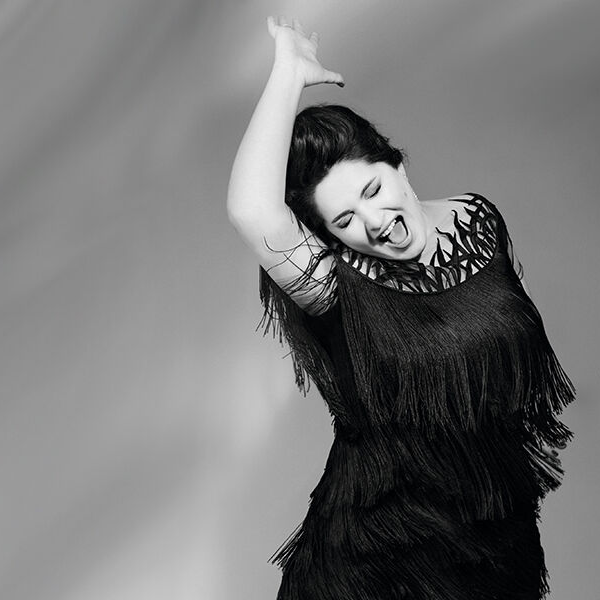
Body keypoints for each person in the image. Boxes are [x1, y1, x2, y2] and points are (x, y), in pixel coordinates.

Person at [227, 16, 575, 600]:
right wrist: (288, 73)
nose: (374, 221)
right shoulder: (332, 287)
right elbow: (251, 210)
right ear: (329, 238)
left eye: (372, 190)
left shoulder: (478, 219)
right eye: (345, 220)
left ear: (396, 165)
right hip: (378, 558)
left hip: (494, 538)